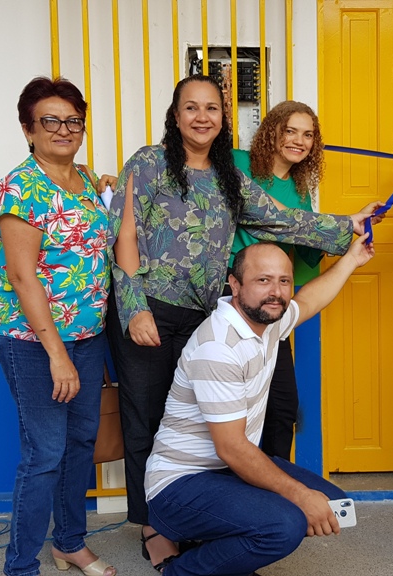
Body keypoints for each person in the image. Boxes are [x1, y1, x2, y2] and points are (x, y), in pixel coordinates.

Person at [106, 74, 377, 569]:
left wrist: (347, 228)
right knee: (145, 417)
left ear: (222, 118)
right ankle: (154, 524)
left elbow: (279, 218)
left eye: (212, 108)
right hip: (151, 307)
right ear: (176, 114)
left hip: (203, 308)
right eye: (191, 107)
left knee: (193, 417)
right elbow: (123, 235)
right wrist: (134, 307)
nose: (202, 116)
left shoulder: (230, 175)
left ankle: (208, 515)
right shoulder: (148, 163)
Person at [145, 238, 374, 574]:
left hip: (226, 471)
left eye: (284, 281)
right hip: (179, 485)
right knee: (285, 525)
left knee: (330, 503)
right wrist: (298, 496)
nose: (276, 292)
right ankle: (182, 570)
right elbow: (233, 448)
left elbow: (309, 300)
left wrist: (352, 258)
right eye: (263, 280)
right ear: (234, 285)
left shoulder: (267, 322)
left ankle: (224, 547)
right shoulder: (218, 347)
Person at [0, 76, 117, 576]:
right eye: (50, 121)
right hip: (34, 344)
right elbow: (23, 277)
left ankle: (69, 542)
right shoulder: (18, 186)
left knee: (82, 443)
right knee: (44, 453)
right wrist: (57, 355)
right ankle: (21, 566)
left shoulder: (85, 181)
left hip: (88, 337)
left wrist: (105, 185)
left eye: (73, 121)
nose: (63, 130)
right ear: (28, 129)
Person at [229, 100, 327, 460]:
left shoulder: (300, 191)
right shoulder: (236, 163)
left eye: (308, 135)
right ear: (272, 131)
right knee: (232, 402)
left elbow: (306, 248)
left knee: (282, 406)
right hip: (231, 297)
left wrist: (346, 235)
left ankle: (278, 485)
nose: (299, 141)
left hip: (271, 306)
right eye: (291, 131)